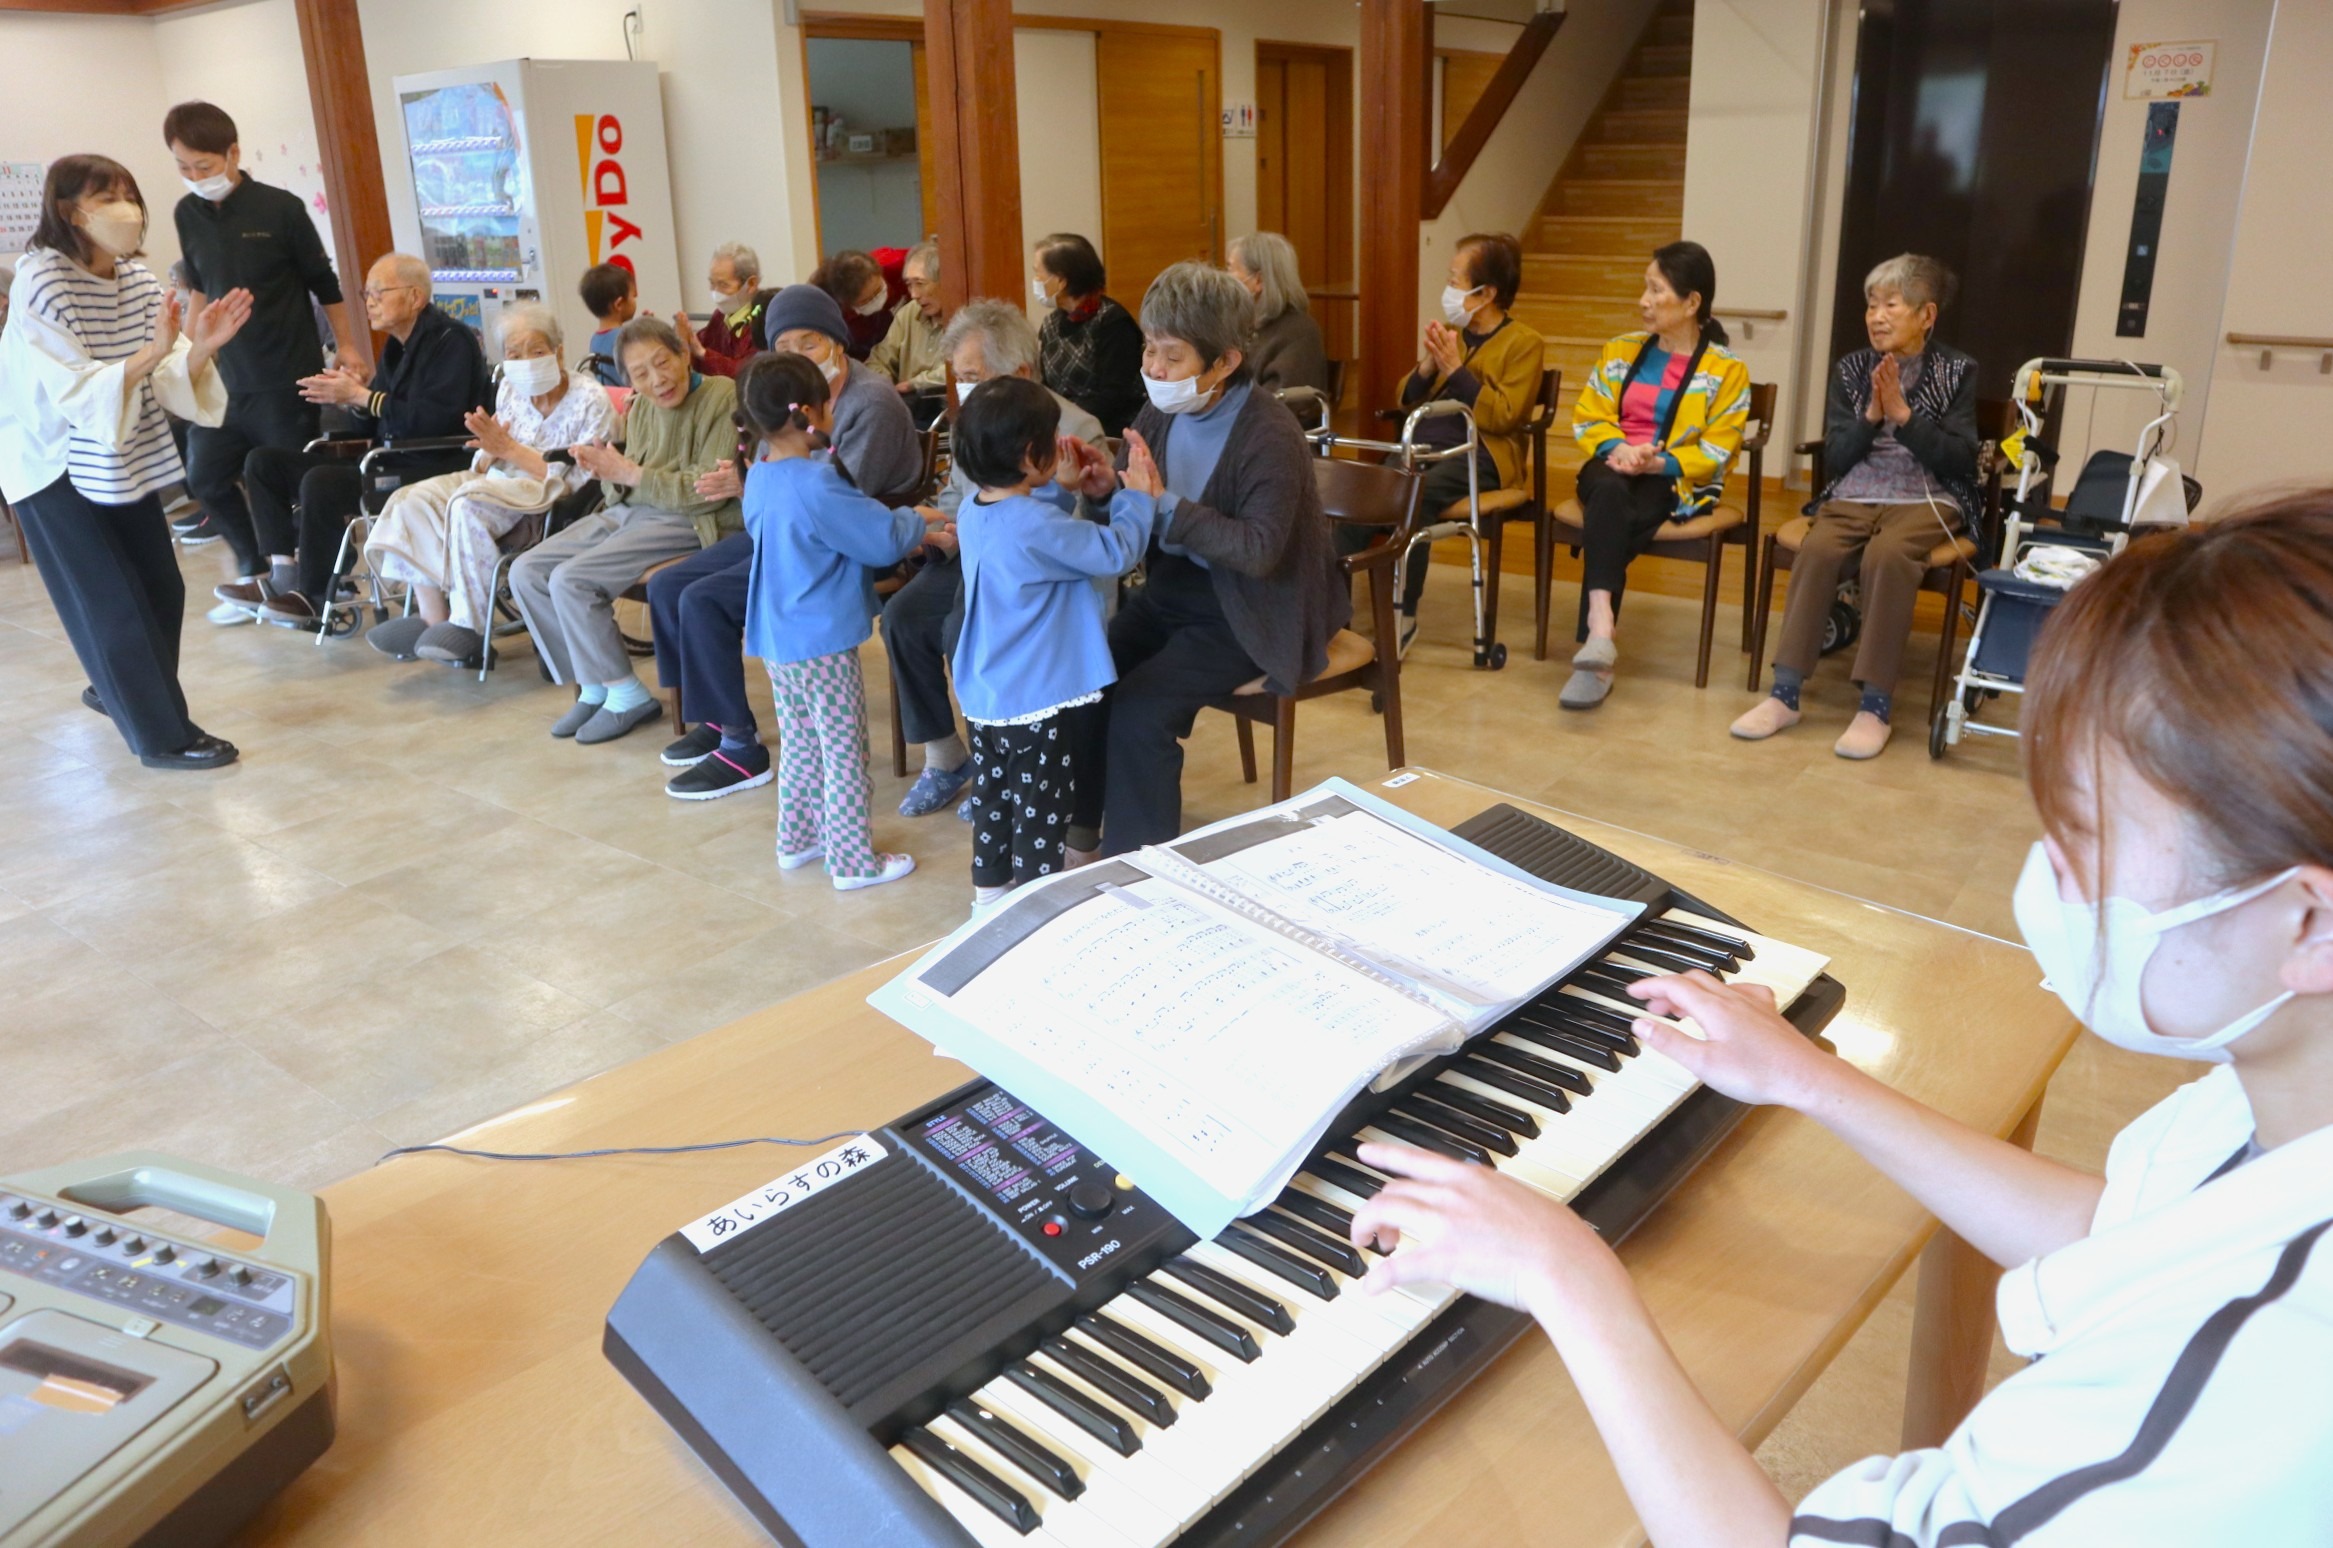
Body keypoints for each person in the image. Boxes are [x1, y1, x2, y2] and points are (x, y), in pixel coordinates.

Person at [1343, 489, 2333, 1547]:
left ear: (2306, 919)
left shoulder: (2249, 1409)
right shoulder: (2284, 1082)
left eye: (2082, 836)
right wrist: (1805, 1076)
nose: (2045, 873)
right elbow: (2120, 1230)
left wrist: (1567, 1273)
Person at [1059, 261, 1349, 856]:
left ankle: (1139, 868)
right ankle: (1083, 831)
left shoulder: (1269, 434)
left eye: (1172, 357)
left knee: (1140, 712)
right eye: (1149, 350)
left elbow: (1261, 551)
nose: (1154, 370)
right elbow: (1133, 512)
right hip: (1170, 593)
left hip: (1247, 607)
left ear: (1225, 363)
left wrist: (1161, 505)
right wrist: (1101, 494)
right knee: (1084, 678)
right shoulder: (1161, 411)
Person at [0, 155, 252, 770]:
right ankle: (164, 736)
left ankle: (115, 687)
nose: (126, 209)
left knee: (161, 588)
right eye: (106, 197)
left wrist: (199, 351)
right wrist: (154, 352)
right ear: (69, 211)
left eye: (128, 194)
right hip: (52, 459)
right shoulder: (42, 278)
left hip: (121, 453)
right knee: (111, 598)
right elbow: (73, 387)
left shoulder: (137, 282)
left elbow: (165, 375)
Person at [648, 283, 921, 799]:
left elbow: (844, 502)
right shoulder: (784, 399)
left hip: (837, 540)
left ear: (838, 342)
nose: (798, 355)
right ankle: (714, 712)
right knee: (669, 585)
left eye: (810, 341)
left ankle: (740, 744)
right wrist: (749, 484)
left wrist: (755, 484)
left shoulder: (870, 401)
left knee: (701, 599)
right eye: (785, 344)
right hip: (796, 524)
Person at [1732, 254, 1980, 759]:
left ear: (1926, 315)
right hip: (1857, 490)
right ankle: (1785, 694)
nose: (1877, 316)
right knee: (1819, 549)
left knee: (1887, 557)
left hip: (1927, 496)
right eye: (1871, 305)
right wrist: (1870, 414)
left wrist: (1905, 415)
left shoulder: (1957, 371)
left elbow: (1960, 458)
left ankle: (1875, 705)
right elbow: (1837, 458)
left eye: (1891, 304)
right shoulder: (1850, 369)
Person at [736, 352, 945, 890]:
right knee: (845, 749)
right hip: (820, 638)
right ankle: (852, 860)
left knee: (803, 743)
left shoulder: (759, 475)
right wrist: (916, 520)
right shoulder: (815, 483)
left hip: (779, 635)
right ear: (806, 410)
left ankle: (798, 838)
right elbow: (874, 536)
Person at [951, 376, 1158, 905]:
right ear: (1029, 454)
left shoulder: (975, 509)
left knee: (994, 806)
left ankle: (988, 906)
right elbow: (1115, 552)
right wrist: (1136, 498)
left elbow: (1037, 533)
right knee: (1041, 817)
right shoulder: (1037, 526)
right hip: (1037, 700)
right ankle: (1035, 915)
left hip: (988, 696)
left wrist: (1059, 490)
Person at [219, 253, 489, 628]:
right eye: (367, 293)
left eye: (379, 291)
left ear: (415, 297)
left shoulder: (451, 339)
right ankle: (283, 574)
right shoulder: (396, 347)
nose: (370, 301)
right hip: (387, 457)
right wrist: (352, 397)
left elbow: (437, 418)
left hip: (431, 464)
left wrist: (363, 397)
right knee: (263, 462)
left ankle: (314, 597)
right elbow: (371, 425)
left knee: (323, 482)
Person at [509, 315, 737, 743]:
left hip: (688, 520)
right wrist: (606, 470)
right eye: (641, 373)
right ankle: (596, 686)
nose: (658, 379)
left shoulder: (722, 396)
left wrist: (630, 475)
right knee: (527, 571)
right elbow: (623, 487)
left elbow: (709, 492)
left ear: (684, 355)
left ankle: (627, 694)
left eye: (663, 362)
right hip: (633, 510)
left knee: (572, 579)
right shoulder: (642, 407)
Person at [165, 100, 354, 618]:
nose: (194, 177)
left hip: (285, 375)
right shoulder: (187, 214)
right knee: (205, 476)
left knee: (293, 481)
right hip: (224, 382)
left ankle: (320, 579)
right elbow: (199, 289)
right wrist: (187, 355)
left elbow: (326, 286)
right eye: (183, 167)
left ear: (233, 153)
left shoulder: (281, 208)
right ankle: (256, 573)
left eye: (203, 166)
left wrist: (349, 347)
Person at [362, 303, 616, 666]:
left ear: (559, 352)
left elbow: (584, 474)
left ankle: (469, 626)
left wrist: (508, 450)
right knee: (410, 499)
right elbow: (488, 458)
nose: (525, 361)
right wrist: (487, 451)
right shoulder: (510, 390)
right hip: (497, 478)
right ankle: (431, 616)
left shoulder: (590, 398)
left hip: (550, 488)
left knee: (467, 504)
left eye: (537, 351)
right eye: (514, 353)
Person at [1565, 240, 1750, 709]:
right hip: (1611, 463)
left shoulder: (1726, 371)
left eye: (1656, 290)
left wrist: (1656, 462)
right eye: (1644, 288)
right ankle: (1601, 627)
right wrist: (1622, 449)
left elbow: (1718, 449)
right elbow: (1589, 415)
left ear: (1692, 302)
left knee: (1616, 507)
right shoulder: (1619, 350)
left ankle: (1598, 648)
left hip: (1673, 477)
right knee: (1609, 488)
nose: (1643, 301)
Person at [1391, 232, 1547, 652]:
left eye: (1455, 282)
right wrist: (1427, 366)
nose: (1449, 291)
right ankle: (1333, 611)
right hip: (1424, 446)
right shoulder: (1453, 334)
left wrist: (1458, 371)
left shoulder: (1525, 343)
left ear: (1487, 292)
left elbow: (1503, 416)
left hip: (1483, 454)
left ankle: (1402, 614)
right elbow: (1403, 398)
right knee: (1363, 493)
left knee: (1412, 494)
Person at [1031, 232, 1145, 437]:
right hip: (1063, 430)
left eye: (1038, 274)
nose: (1035, 281)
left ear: (1060, 281)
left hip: (1110, 433)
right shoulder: (1051, 323)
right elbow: (1047, 386)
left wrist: (1068, 422)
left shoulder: (1112, 322)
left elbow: (1114, 395)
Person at [1226, 232, 1328, 396]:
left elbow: (1279, 404)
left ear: (1258, 280)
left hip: (1264, 419)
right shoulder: (1242, 323)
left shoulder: (1300, 332)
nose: (1225, 278)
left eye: (1230, 269)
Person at [866, 241, 948, 396]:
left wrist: (913, 385)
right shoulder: (908, 314)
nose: (914, 294)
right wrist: (885, 384)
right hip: (907, 406)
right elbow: (877, 360)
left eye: (920, 283)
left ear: (945, 281)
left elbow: (957, 371)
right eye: (909, 285)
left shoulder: (966, 315)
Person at [677, 242, 769, 379]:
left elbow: (749, 373)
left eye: (723, 285)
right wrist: (684, 340)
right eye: (712, 283)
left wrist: (703, 354)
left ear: (751, 284)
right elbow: (698, 345)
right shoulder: (720, 316)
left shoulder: (764, 319)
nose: (715, 292)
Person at [816, 248, 895, 361]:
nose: (877, 299)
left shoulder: (896, 267)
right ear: (848, 303)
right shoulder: (830, 315)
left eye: (878, 290)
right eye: (867, 300)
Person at [578, 262, 639, 389]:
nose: (635, 298)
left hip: (611, 401)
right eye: (633, 296)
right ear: (619, 304)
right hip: (631, 402)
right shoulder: (626, 338)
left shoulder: (595, 339)